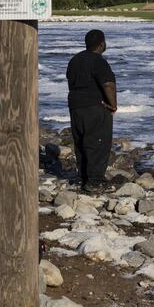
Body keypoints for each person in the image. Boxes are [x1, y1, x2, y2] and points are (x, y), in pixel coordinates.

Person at [66, 29, 117, 193]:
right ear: (102, 44)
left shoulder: (75, 60)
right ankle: (95, 181)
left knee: (81, 142)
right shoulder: (98, 61)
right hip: (95, 106)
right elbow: (108, 84)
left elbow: (71, 81)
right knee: (97, 142)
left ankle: (83, 177)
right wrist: (113, 105)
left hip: (75, 106)